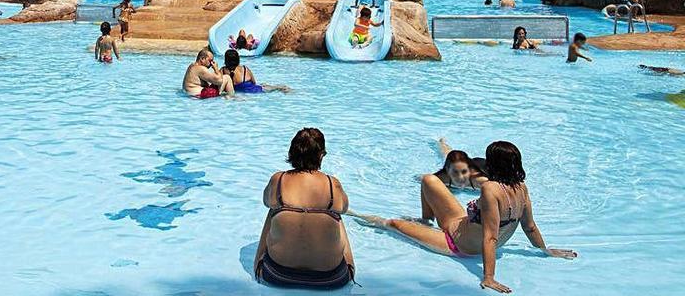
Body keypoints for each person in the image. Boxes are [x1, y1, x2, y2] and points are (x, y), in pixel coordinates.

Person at [351, 141, 576, 293]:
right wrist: (545, 250)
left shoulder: (491, 190)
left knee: (394, 224)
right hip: (459, 224)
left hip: (458, 244)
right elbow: (530, 227)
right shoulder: (521, 188)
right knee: (430, 180)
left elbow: (490, 237)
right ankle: (426, 220)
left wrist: (488, 277)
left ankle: (353, 214)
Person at [254, 128, 355, 289]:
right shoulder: (332, 184)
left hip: (276, 275)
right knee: (335, 214)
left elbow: (266, 201)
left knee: (275, 208)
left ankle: (257, 263)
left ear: (292, 152)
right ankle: (350, 266)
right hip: (331, 279)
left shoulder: (278, 180)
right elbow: (344, 208)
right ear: (321, 155)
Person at [221, 49, 290, 93]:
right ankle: (284, 88)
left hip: (244, 94)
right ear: (238, 59)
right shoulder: (245, 69)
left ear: (226, 60)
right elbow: (254, 82)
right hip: (257, 90)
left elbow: (218, 82)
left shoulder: (223, 70)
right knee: (275, 88)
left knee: (271, 87)